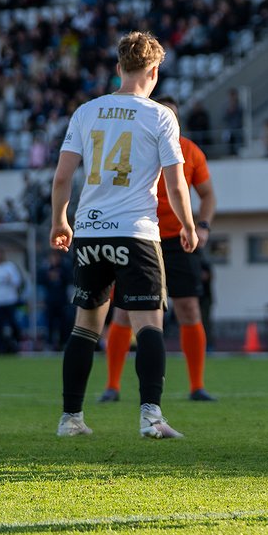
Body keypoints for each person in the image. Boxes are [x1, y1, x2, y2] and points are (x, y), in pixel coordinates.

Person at [49, 31, 197, 439]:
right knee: (148, 325)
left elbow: (62, 176)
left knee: (85, 326)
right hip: (136, 233)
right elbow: (176, 183)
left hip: (91, 232)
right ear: (153, 71)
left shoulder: (86, 111)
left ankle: (70, 419)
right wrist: (186, 224)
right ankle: (151, 418)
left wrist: (60, 221)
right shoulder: (160, 115)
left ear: (118, 69)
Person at [99, 96, 218, 402]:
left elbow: (207, 196)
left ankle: (197, 387)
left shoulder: (190, 151)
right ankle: (112, 386)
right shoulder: (135, 148)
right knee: (124, 311)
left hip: (179, 240)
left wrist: (201, 226)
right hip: (139, 237)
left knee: (189, 308)